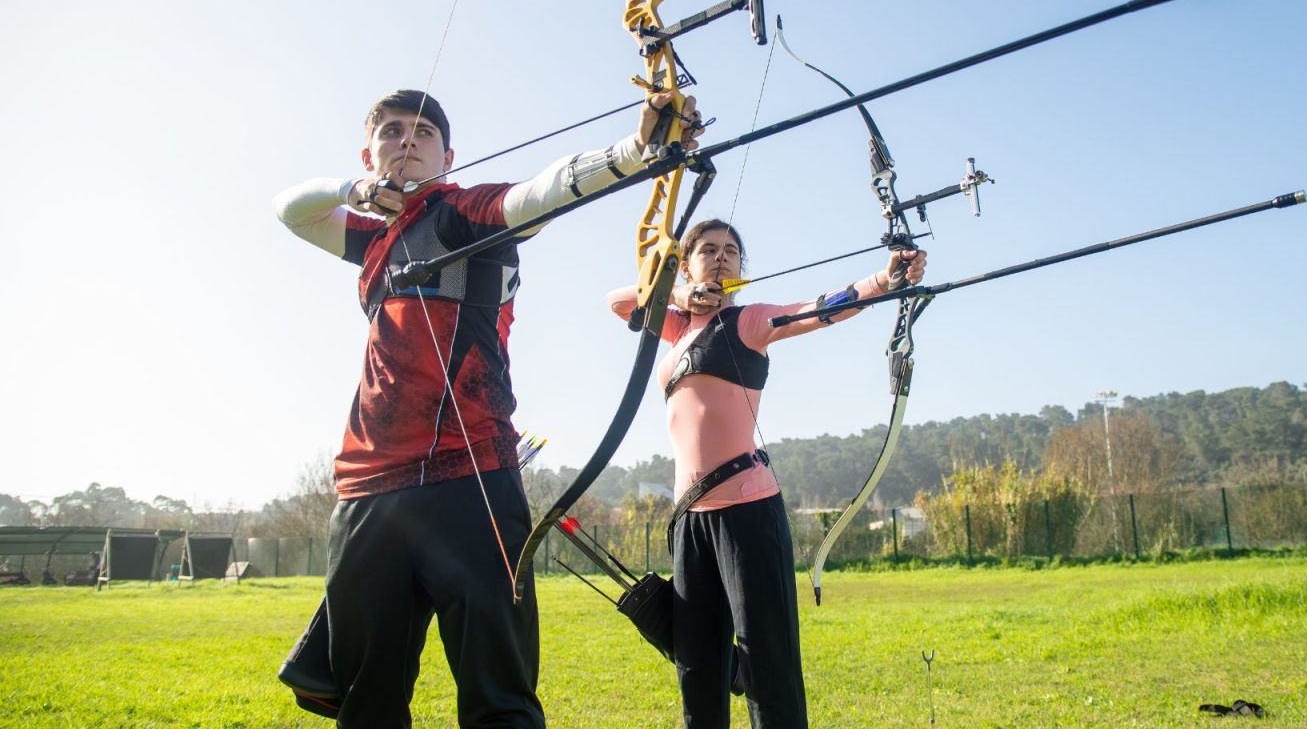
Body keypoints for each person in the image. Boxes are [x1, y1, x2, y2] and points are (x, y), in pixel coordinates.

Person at [273, 88, 705, 728]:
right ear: (370, 153)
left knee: (499, 701)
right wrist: (352, 190)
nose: (407, 141)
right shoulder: (369, 239)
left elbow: (542, 193)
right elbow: (289, 210)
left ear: (448, 155)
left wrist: (636, 151)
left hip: (470, 477)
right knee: (366, 702)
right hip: (367, 489)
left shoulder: (465, 212)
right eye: (392, 132)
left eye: (423, 133)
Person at [606, 219, 927, 728]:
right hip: (691, 520)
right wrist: (684, 294)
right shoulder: (677, 327)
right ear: (686, 264)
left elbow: (815, 311)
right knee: (697, 663)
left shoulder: (747, 321)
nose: (722, 257)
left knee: (766, 661)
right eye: (708, 250)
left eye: (731, 251)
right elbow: (619, 301)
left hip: (748, 511)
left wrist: (882, 282)